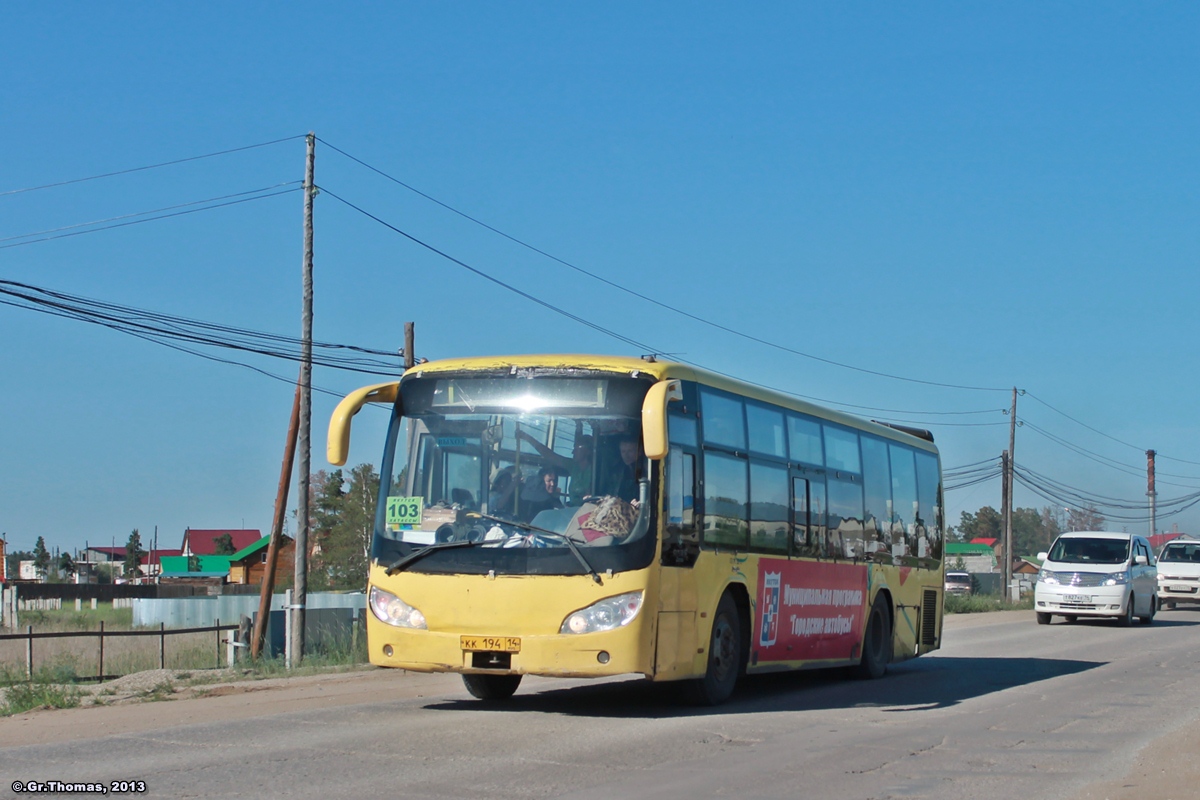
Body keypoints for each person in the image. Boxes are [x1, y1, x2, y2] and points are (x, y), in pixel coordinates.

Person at [516, 430, 594, 505]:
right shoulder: (573, 466)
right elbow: (550, 455)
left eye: (577, 449)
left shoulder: (596, 471)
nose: (572, 452)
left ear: (587, 451)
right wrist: (527, 438)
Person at [605, 434, 641, 502]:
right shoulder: (616, 472)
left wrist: (641, 502)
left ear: (639, 452)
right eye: (623, 451)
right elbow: (610, 494)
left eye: (630, 451)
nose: (626, 455)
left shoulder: (647, 471)